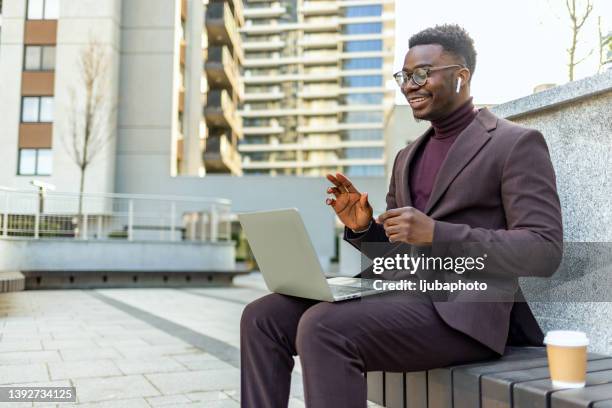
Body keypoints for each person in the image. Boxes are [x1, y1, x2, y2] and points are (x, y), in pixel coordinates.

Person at [240, 24, 563, 408]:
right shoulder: (407, 157)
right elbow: (395, 256)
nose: (410, 85)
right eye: (405, 76)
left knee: (322, 327)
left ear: (461, 76)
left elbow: (544, 250)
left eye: (422, 73)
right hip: (397, 294)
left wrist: (436, 233)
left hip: (462, 313)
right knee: (261, 317)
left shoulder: (514, 144)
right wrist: (363, 229)